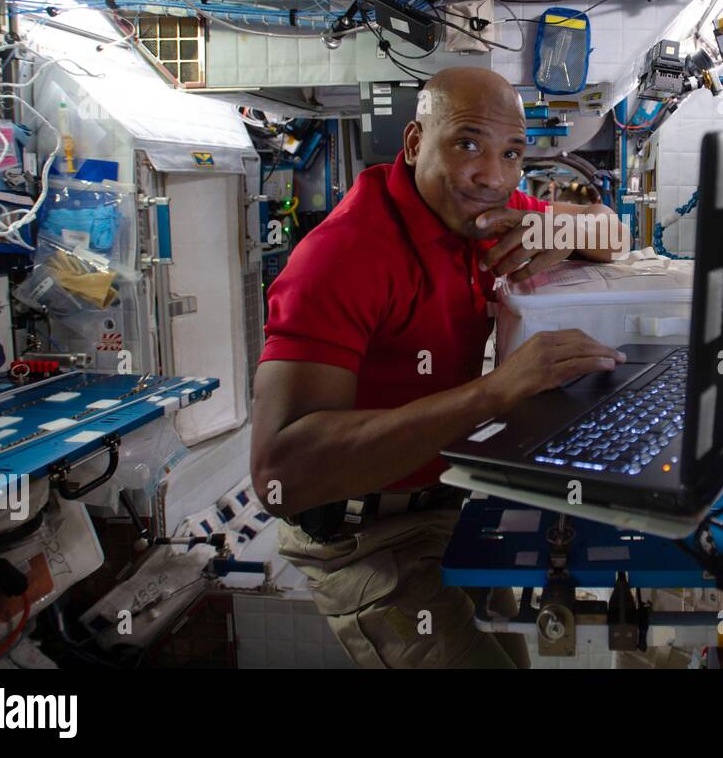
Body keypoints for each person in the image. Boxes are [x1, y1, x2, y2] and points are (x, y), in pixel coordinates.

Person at [251, 66, 628, 668]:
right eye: (468, 144)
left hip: (453, 503)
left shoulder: (482, 214)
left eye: (512, 154)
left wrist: (555, 225)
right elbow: (280, 475)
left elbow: (615, 230)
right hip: (365, 536)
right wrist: (495, 393)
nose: (494, 176)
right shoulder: (341, 256)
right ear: (414, 143)